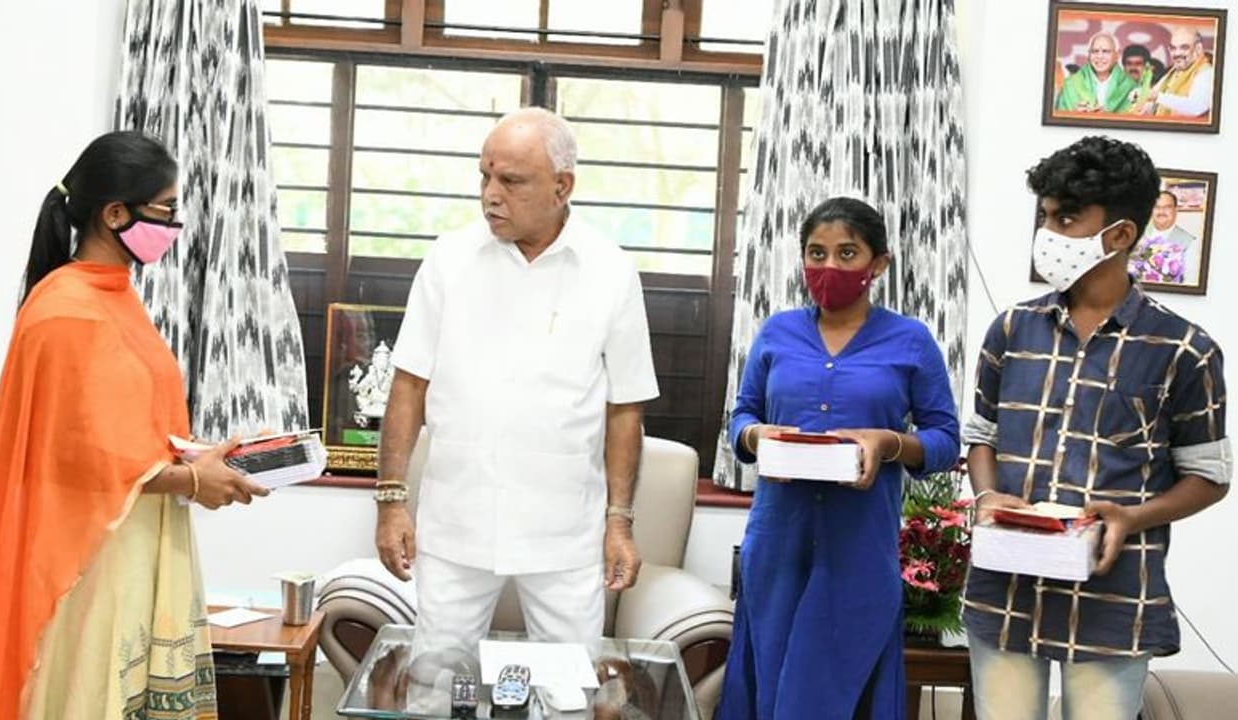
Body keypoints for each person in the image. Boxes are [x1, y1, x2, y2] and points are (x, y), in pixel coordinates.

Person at [0, 131, 268, 718]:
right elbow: (77, 452)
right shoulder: (66, 310)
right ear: (115, 214)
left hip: (135, 537)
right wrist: (191, 480)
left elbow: (131, 428)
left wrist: (210, 457)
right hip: (87, 554)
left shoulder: (116, 297)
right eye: (166, 210)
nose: (175, 225)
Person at [373, 108, 659, 657]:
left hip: (564, 534)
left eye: (511, 180)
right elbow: (407, 386)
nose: (490, 195)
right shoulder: (448, 259)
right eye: (484, 176)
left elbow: (626, 409)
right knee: (435, 685)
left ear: (562, 185)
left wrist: (619, 523)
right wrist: (391, 502)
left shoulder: (611, 270)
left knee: (569, 693)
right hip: (456, 525)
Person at [962, 136, 1231, 719]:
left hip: (1114, 602)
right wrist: (987, 496)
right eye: (1045, 216)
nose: (1049, 232)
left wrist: (1132, 517)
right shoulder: (1011, 330)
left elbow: (1209, 476)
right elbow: (980, 436)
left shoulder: (1185, 349)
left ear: (1121, 235)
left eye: (1065, 218)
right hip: (1006, 590)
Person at [717, 198, 961, 719]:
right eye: (816, 253)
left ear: (879, 264)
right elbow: (740, 418)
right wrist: (759, 435)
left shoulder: (911, 340)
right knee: (769, 684)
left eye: (847, 253)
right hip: (778, 542)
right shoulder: (777, 331)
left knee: (839, 691)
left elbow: (945, 441)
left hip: (859, 548)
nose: (829, 268)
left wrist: (888, 443)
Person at [1139, 27, 1215, 117]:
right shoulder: (1173, 72)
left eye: (1184, 47)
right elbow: (1152, 97)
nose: (1177, 53)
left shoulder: (1206, 72)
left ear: (1198, 49)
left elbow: (1196, 107)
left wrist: (1158, 97)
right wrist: (1141, 100)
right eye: (1173, 48)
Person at [1055, 32, 1138, 113]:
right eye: (1095, 51)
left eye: (1105, 51)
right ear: (1088, 55)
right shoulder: (1071, 84)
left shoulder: (1130, 87)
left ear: (1117, 55)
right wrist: (1075, 115)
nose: (1099, 56)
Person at [1134, 190, 1199, 284]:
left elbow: (1190, 281)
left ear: (1176, 210)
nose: (1161, 211)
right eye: (1157, 207)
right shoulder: (1138, 235)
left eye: (1167, 207)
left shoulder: (1190, 242)